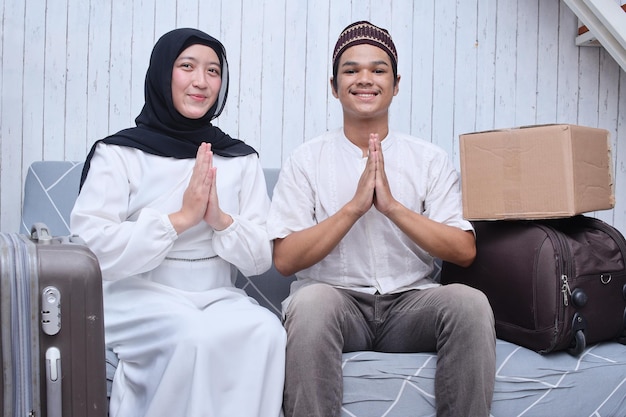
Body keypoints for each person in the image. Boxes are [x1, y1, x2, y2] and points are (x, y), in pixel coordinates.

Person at [267, 21, 496, 417]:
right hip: (336, 302)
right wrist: (354, 208)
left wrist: (392, 207)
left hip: (411, 306)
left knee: (470, 304)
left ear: (396, 82)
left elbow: (464, 250)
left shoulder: (428, 159)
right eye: (351, 70)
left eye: (378, 69)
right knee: (310, 305)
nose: (364, 79)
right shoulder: (306, 159)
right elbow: (286, 259)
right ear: (334, 86)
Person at [71, 28, 286, 417]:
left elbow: (259, 259)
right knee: (192, 336)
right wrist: (180, 219)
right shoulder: (119, 154)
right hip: (136, 296)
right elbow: (91, 248)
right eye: (187, 66)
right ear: (161, 73)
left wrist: (219, 220)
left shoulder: (240, 159)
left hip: (217, 294)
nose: (202, 82)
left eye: (213, 71)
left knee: (267, 331)